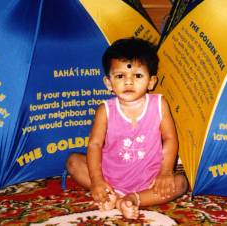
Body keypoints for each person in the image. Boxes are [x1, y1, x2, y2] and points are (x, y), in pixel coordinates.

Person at [66, 37, 188, 219]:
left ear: (151, 81)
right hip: (110, 178)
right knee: (73, 161)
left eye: (138, 76)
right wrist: (97, 181)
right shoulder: (105, 110)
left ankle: (134, 199)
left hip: (150, 179)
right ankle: (115, 198)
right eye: (120, 76)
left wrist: (165, 172)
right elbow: (95, 145)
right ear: (108, 83)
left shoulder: (159, 104)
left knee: (181, 183)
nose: (129, 82)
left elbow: (170, 138)